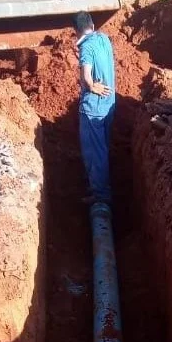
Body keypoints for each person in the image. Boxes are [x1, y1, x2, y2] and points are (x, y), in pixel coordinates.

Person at [74, 11, 116, 204]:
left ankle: (100, 196)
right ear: (91, 25)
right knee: (103, 148)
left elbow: (85, 76)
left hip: (93, 109)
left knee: (94, 152)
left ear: (76, 30)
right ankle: (101, 186)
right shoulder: (104, 39)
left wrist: (91, 86)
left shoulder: (87, 47)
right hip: (108, 105)